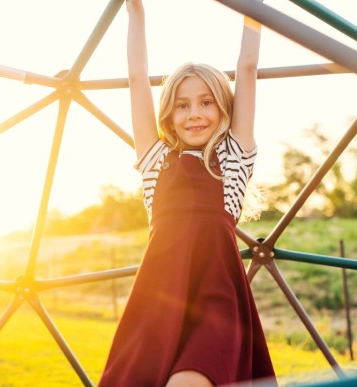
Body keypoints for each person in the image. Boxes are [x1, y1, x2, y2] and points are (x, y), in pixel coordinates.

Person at [99, 0, 276, 385]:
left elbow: (247, 68)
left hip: (217, 300)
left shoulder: (232, 160)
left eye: (206, 102)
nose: (194, 113)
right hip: (159, 300)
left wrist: (254, 9)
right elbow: (136, 76)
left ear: (223, 107)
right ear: (169, 116)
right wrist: (136, 13)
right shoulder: (156, 162)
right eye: (182, 105)